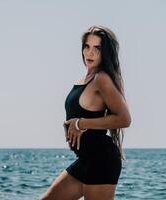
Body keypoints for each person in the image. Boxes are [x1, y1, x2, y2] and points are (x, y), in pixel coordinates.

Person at [40, 25, 131, 200]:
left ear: (105, 52)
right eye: (87, 46)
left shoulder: (101, 79)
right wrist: (69, 125)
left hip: (101, 160)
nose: (90, 53)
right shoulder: (84, 79)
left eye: (97, 48)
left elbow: (124, 119)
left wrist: (80, 123)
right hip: (86, 160)